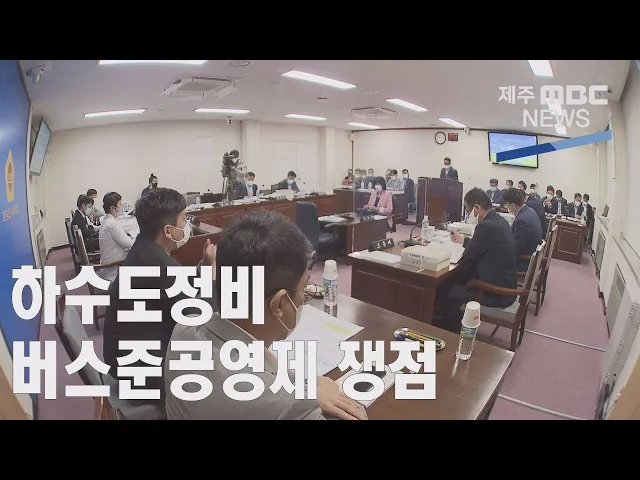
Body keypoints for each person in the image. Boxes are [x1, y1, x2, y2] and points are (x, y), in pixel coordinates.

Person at [165, 210, 367, 420]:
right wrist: (313, 393)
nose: (303, 298)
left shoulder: (185, 328)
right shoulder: (289, 406)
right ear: (279, 304)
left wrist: (304, 384)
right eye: (304, 288)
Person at [102, 188, 217, 415]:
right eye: (183, 219)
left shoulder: (142, 249)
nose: (186, 225)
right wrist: (211, 274)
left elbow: (174, 288)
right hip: (143, 375)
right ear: (167, 230)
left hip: (124, 362)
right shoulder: (161, 265)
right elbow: (200, 321)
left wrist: (202, 269)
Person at [441, 188, 517, 333]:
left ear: (477, 207)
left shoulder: (485, 226)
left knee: (449, 290)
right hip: (506, 284)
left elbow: (469, 255)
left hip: (495, 293)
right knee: (459, 278)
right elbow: (482, 245)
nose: (468, 214)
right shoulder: (499, 221)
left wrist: (464, 244)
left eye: (468, 210)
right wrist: (463, 240)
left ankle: (448, 333)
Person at [503, 188, 543, 272]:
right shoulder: (530, 211)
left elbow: (515, 249)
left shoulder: (522, 221)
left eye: (507, 204)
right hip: (529, 255)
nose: (506, 207)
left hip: (523, 263)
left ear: (512, 205)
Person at [98, 192, 134, 282]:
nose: (122, 207)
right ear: (113, 208)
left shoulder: (107, 220)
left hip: (110, 264)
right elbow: (129, 244)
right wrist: (136, 239)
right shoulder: (112, 224)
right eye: (120, 204)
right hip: (114, 269)